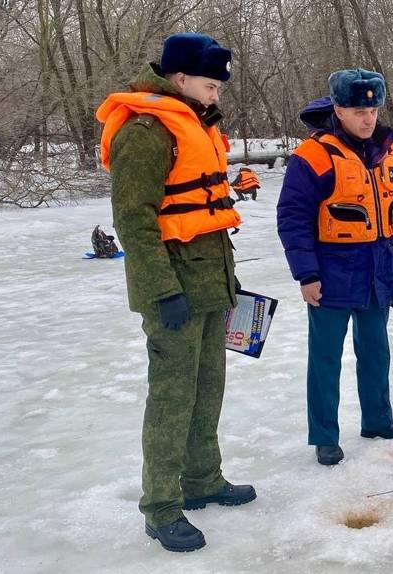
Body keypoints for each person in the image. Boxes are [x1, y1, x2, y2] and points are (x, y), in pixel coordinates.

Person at [95, 33, 255, 553]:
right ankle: (161, 507)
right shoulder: (144, 133)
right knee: (171, 397)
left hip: (210, 281)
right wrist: (161, 291)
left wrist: (228, 284)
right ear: (180, 79)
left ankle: (203, 479)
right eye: (211, 86)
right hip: (173, 290)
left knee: (208, 388)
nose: (216, 97)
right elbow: (134, 222)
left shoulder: (197, 124)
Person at [277, 68, 393, 466]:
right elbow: (292, 217)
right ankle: (325, 435)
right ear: (339, 110)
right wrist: (305, 274)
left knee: (376, 349)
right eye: (359, 110)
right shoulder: (312, 157)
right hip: (331, 270)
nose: (368, 119)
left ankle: (378, 419)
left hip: (381, 265)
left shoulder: (390, 150)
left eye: (374, 109)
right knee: (325, 356)